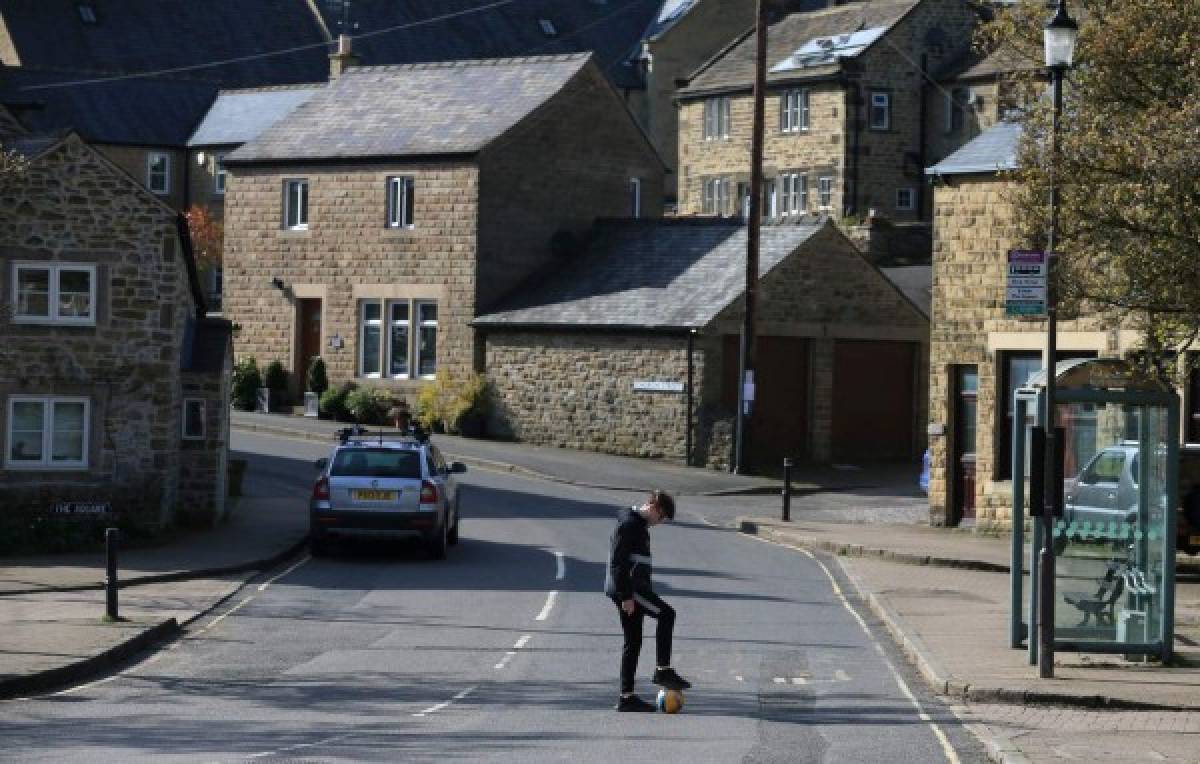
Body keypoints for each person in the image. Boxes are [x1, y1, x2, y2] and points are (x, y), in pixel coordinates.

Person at [604, 490, 691, 712]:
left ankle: (626, 697)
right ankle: (662, 670)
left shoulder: (637, 525)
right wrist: (626, 596)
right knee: (667, 614)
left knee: (633, 641)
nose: (659, 523)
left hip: (632, 589)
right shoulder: (630, 525)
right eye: (661, 518)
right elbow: (618, 563)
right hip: (630, 589)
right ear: (653, 508)